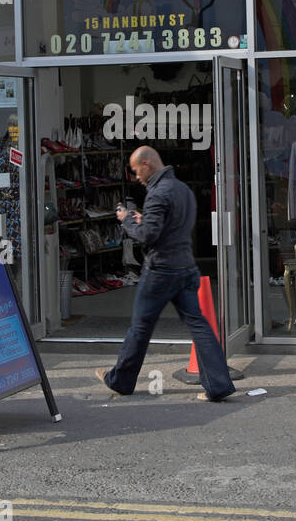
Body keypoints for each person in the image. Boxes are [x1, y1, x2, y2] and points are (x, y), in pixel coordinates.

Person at [95, 146, 235, 402]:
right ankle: (218, 385)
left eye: (137, 171)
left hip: (160, 270)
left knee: (140, 327)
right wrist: (145, 219)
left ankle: (120, 380)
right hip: (185, 266)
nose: (136, 177)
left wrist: (127, 220)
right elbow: (172, 226)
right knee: (199, 325)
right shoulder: (183, 190)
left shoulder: (158, 193)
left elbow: (149, 235)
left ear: (147, 164)